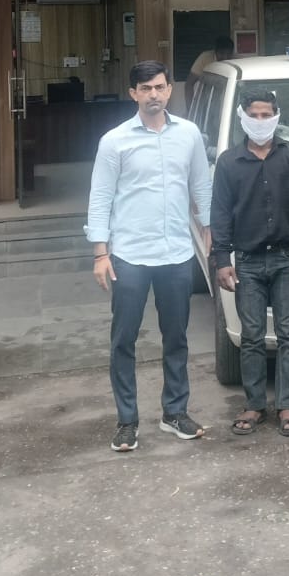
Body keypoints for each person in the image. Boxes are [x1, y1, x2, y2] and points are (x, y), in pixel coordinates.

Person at [86, 61, 212, 454]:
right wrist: (101, 252)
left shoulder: (188, 135)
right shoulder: (114, 141)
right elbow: (100, 197)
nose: (153, 94)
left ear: (170, 89)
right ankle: (127, 421)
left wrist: (211, 231)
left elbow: (201, 185)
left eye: (159, 87)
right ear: (133, 94)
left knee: (176, 337)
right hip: (130, 255)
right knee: (123, 340)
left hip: (176, 253)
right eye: (145, 88)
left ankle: (175, 412)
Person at [212, 88, 289, 438]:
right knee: (252, 336)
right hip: (247, 261)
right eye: (254, 115)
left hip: (287, 259)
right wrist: (222, 260)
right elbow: (220, 213)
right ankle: (255, 404)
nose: (260, 121)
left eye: (266, 115)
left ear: (277, 116)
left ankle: (287, 405)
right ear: (243, 117)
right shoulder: (229, 162)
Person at [186, 35, 234, 110]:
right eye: (222, 53)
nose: (225, 57)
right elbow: (189, 84)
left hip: (226, 103)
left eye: (228, 54)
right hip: (206, 103)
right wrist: (189, 110)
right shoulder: (204, 58)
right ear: (215, 51)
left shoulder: (236, 60)